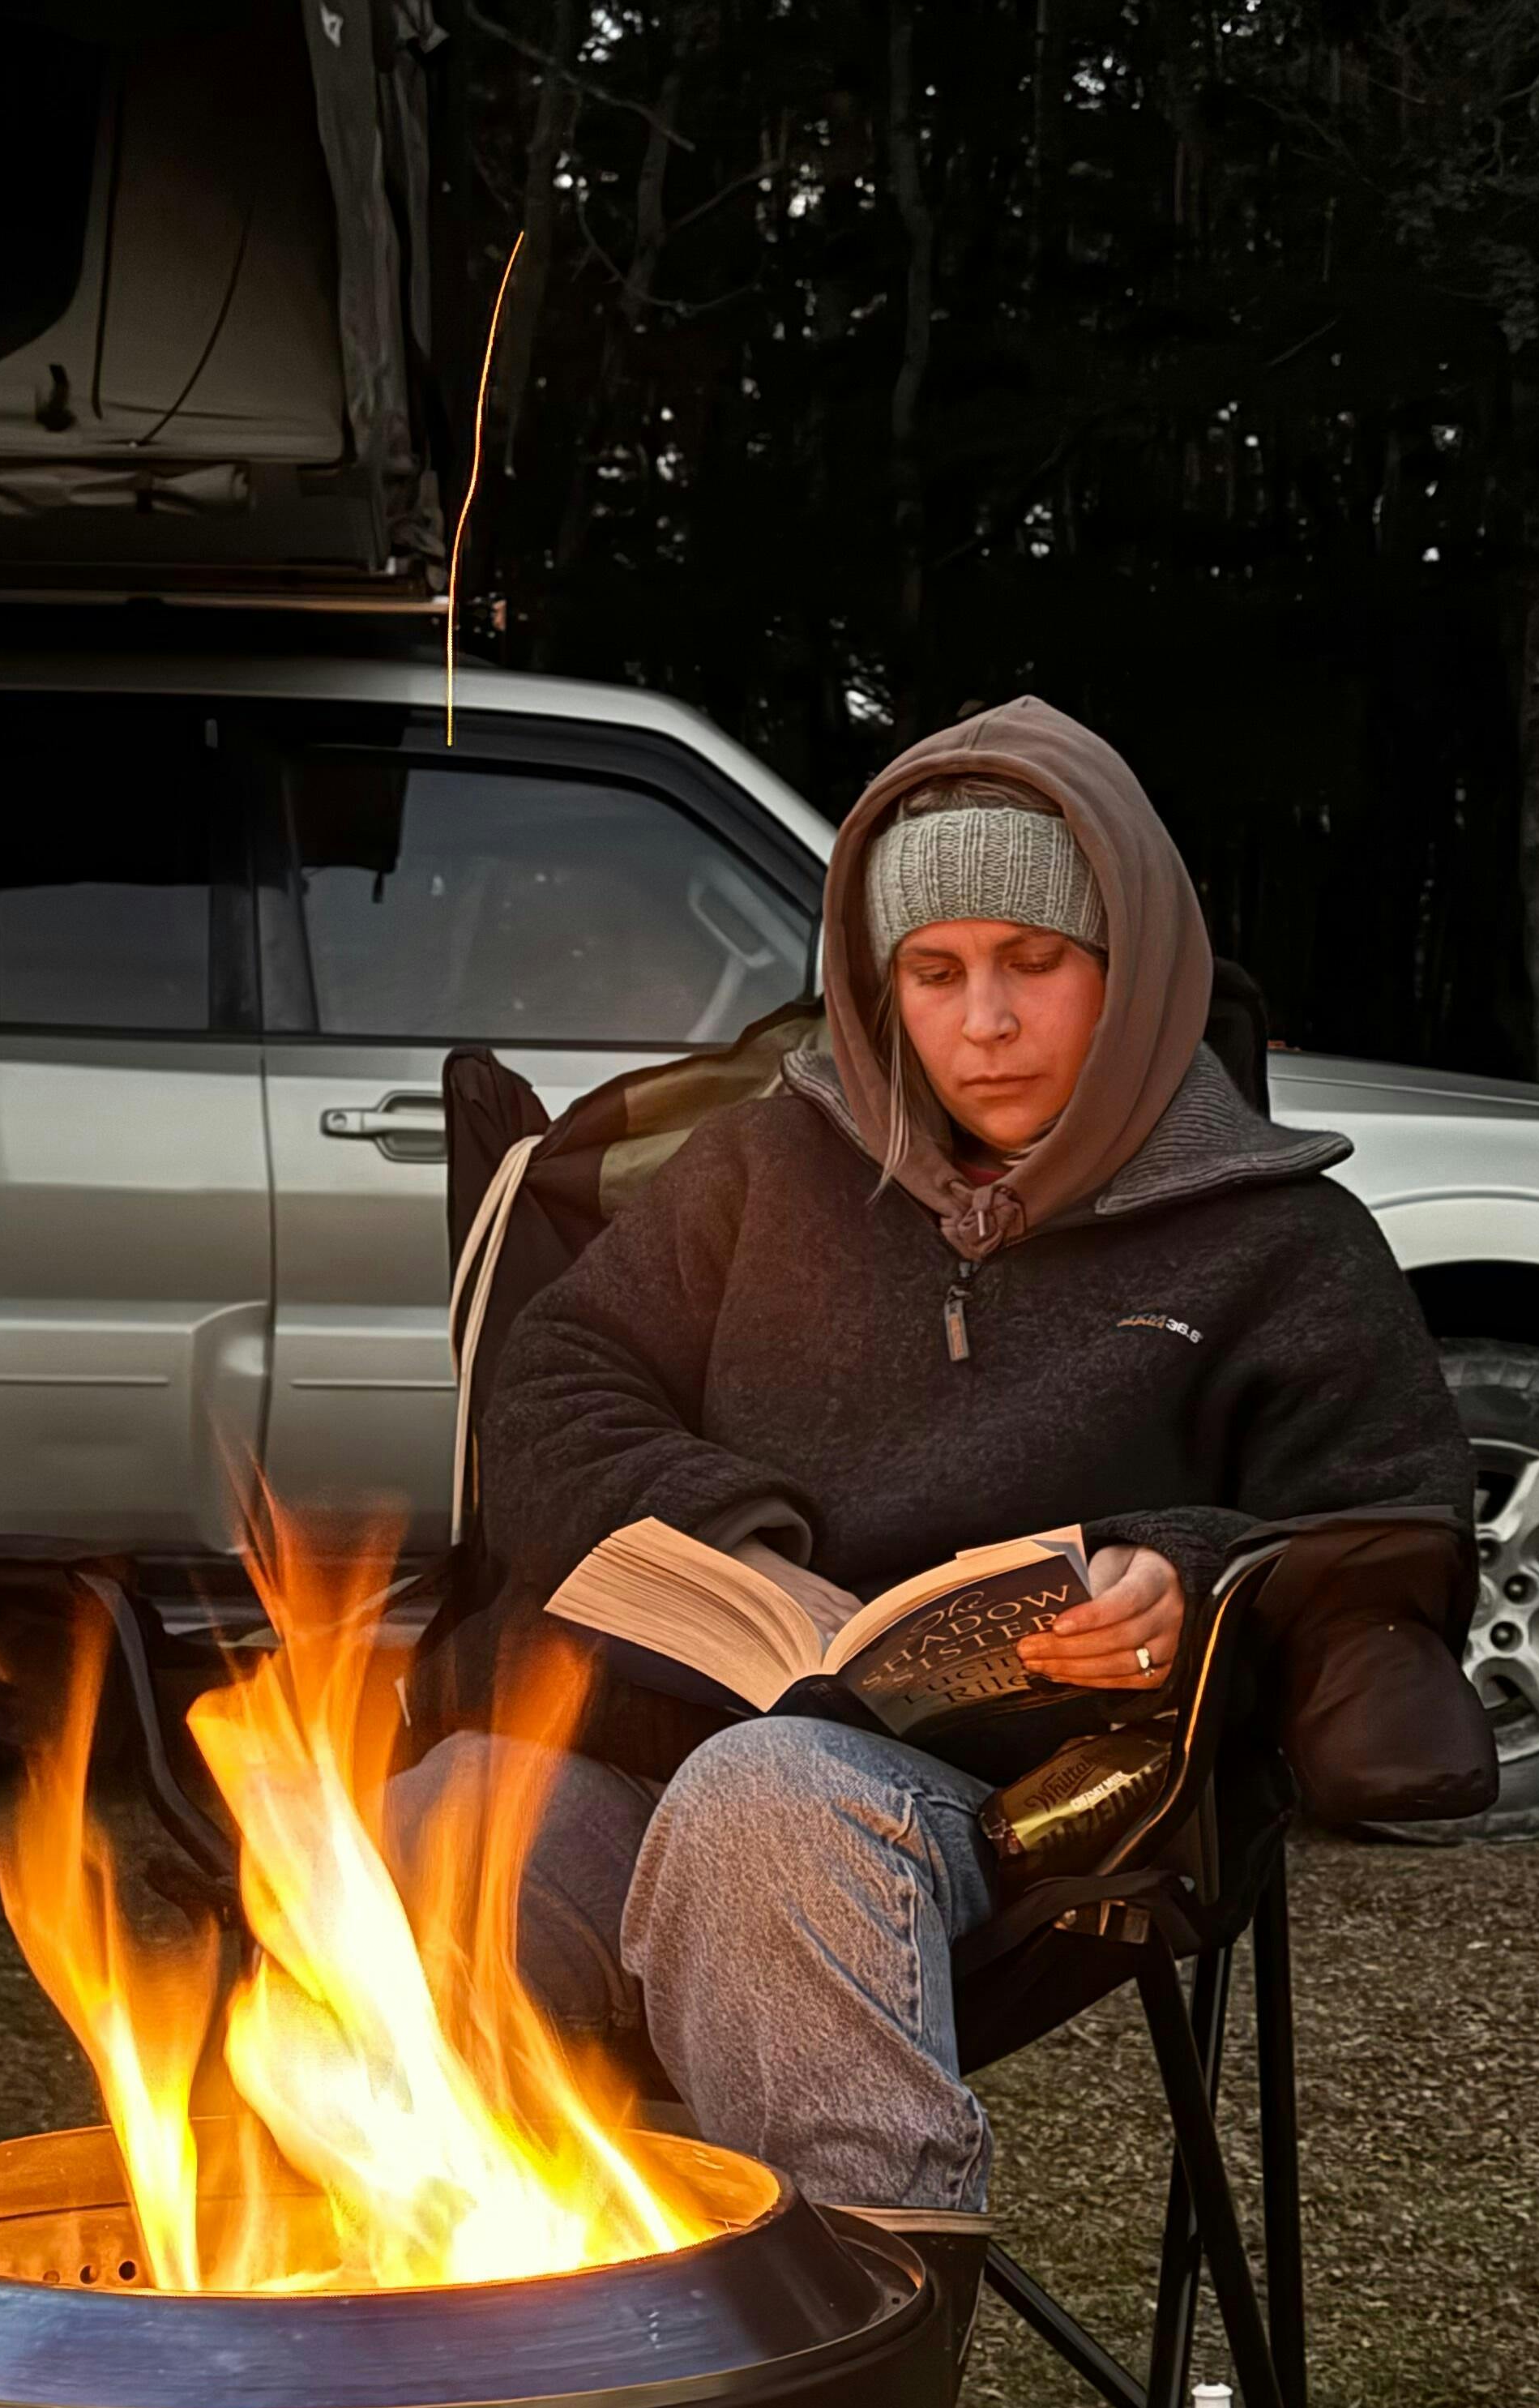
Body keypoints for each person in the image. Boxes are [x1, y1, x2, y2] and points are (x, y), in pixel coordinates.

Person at [395, 697, 1474, 2217]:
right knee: (435, 1826)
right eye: (935, 971)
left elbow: (1377, 1529)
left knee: (767, 1807)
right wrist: (733, 1540)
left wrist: (1182, 1577)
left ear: (1132, 970)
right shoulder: (764, 1166)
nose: (985, 1022)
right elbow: (555, 1380)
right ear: (876, 985)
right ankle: (500, 2321)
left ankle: (850, 2336)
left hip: (1019, 1810)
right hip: (664, 1732)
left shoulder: (1278, 1241)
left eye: (1036, 962)